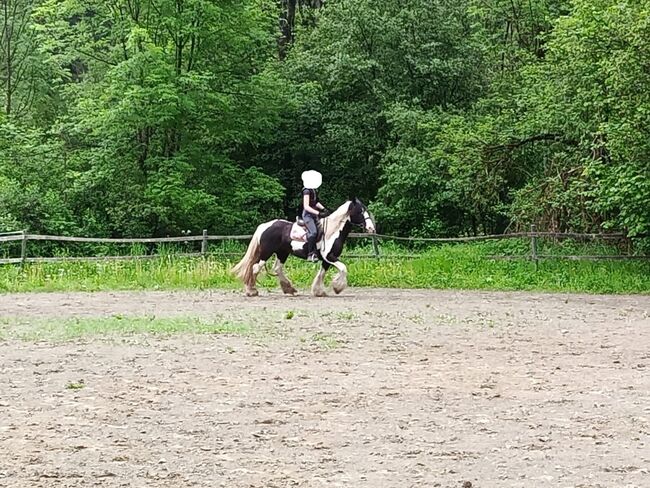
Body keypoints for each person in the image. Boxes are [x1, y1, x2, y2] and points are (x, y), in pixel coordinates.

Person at [301, 170, 330, 262]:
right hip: (307, 215)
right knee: (313, 232)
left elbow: (316, 202)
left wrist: (324, 209)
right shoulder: (306, 191)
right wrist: (318, 213)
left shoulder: (313, 190)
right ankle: (310, 254)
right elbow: (306, 206)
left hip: (314, 214)